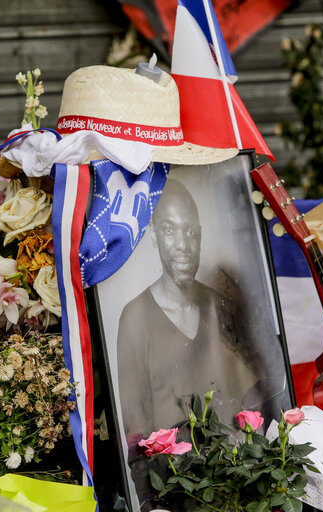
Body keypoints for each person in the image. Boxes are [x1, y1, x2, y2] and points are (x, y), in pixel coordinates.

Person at [117, 177, 288, 510]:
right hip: (178, 498)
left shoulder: (218, 306)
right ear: (152, 236)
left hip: (240, 492)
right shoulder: (135, 318)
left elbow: (256, 404)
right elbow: (135, 436)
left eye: (190, 232)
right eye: (169, 230)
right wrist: (152, 506)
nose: (182, 244)